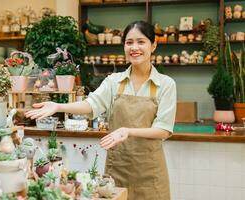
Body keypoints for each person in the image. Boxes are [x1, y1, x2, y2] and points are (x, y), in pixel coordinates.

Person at [26, 21, 176, 200]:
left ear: (153, 45)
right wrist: (58, 106)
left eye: (141, 42)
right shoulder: (114, 82)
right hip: (117, 171)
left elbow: (163, 130)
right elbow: (91, 104)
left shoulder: (165, 84)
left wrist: (127, 131)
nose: (134, 47)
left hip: (150, 174)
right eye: (129, 43)